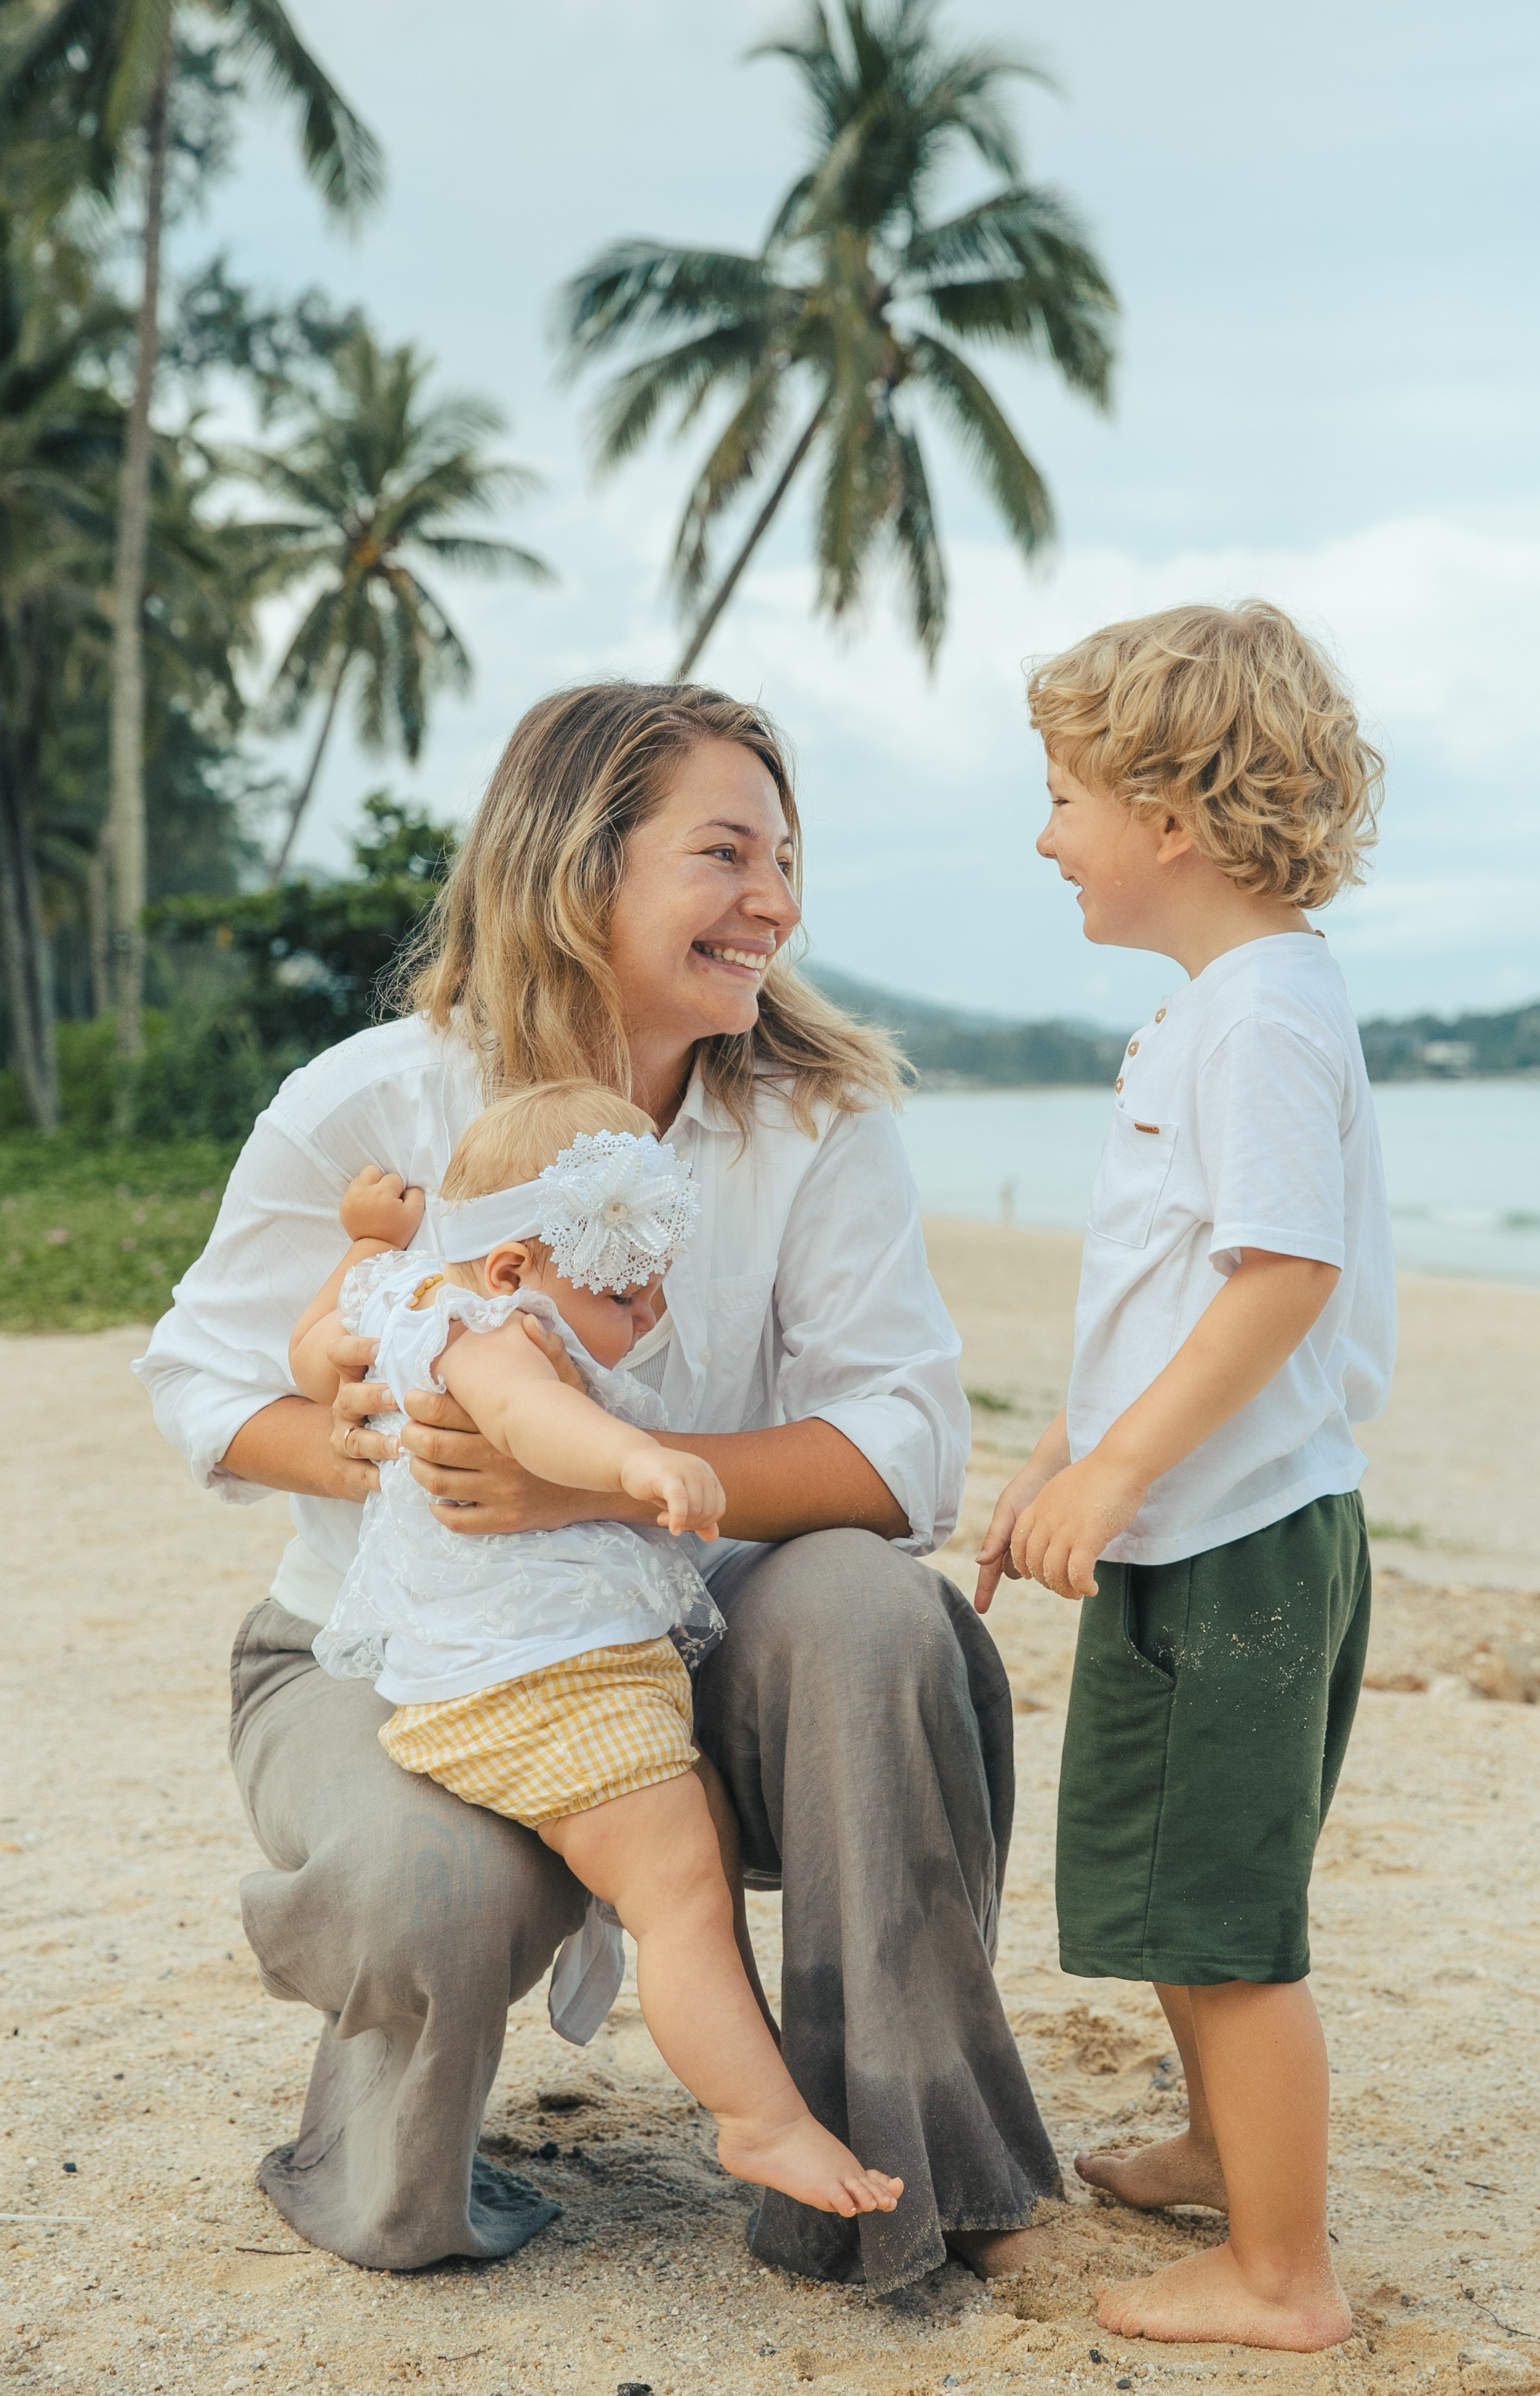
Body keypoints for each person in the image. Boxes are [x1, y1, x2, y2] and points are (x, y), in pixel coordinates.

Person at [137, 681, 1061, 2290]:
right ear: (579, 868)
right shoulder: (370, 1102)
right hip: (398, 1661)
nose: (772, 898)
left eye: (784, 856)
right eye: (724, 853)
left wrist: (607, 1487)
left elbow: (905, 1444)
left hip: (697, 1647)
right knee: (429, 1881)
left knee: (872, 1611)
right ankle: (392, 2168)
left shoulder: (813, 1119)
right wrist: (378, 1438)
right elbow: (203, 1383)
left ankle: (900, 2172)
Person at [976, 602, 1394, 2351]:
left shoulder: (1260, 1017)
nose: (1043, 830)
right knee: (1170, 1872)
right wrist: (1067, 1453)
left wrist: (1127, 1461)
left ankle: (1280, 2275)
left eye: (1062, 793)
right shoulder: (1216, 1008)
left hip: (1238, 1540)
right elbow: (1168, 1289)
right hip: (1193, 1519)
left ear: (1166, 813)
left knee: (1224, 1912)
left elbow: (1279, 1276)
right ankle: (1225, 2148)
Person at [287, 1081, 903, 2220]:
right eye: (625, 1287)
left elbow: (316, 1349)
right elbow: (533, 1423)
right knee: (682, 1896)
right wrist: (632, 1460)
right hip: (545, 1685)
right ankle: (760, 2122)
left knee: (690, 1853)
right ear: (517, 1268)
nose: (649, 1311)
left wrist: (367, 1247)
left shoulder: (406, 1294)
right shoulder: (492, 1335)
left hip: (500, 1674)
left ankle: (754, 2090)